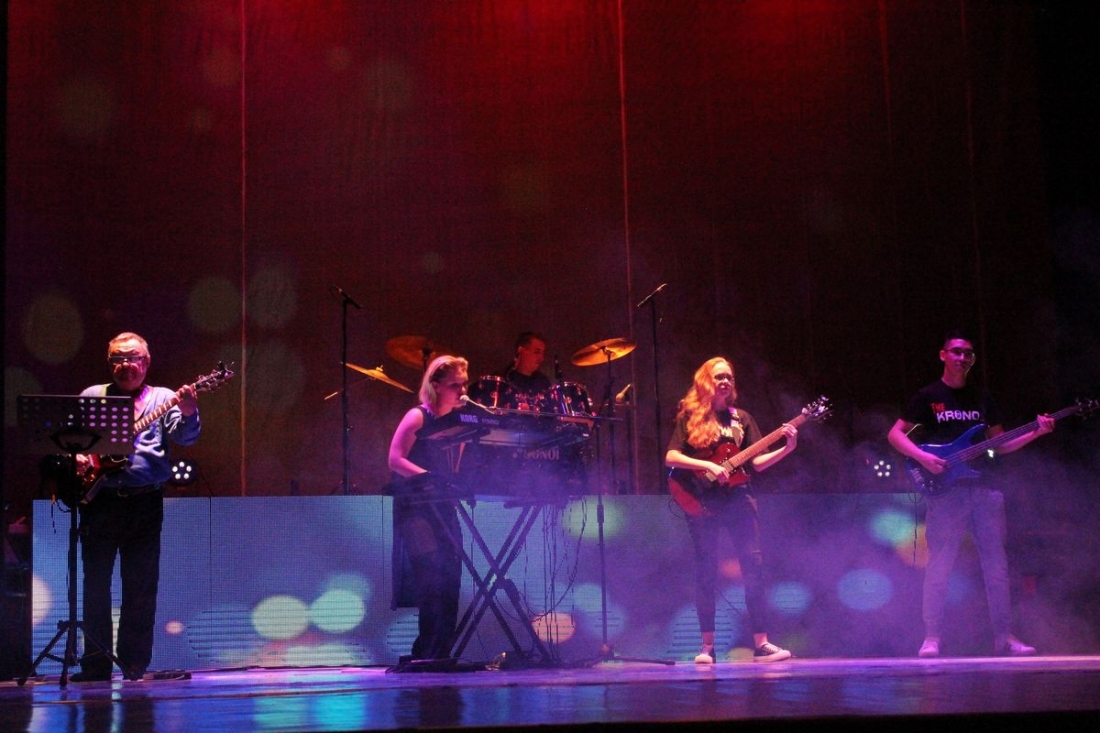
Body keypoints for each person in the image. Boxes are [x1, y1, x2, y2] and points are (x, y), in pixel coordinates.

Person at [887, 329, 1054, 658]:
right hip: (946, 495)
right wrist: (923, 458)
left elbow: (1000, 444)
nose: (962, 357)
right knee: (939, 566)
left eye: (968, 353)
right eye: (957, 351)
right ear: (943, 355)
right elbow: (895, 434)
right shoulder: (928, 396)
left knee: (997, 567)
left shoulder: (982, 398)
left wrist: (1036, 432)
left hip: (985, 491)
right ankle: (932, 637)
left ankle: (1004, 637)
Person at [74, 332, 200, 682]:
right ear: (109, 362)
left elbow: (186, 437)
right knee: (95, 584)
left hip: (144, 502)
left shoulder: (162, 398)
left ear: (146, 362)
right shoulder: (93, 396)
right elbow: (71, 440)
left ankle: (133, 664)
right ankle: (95, 664)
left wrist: (189, 411)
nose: (125, 364)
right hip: (100, 501)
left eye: (132, 358)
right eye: (118, 358)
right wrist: (78, 457)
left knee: (141, 585)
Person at [665, 356, 798, 664]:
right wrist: (708, 466)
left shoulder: (742, 419)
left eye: (729, 377)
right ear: (706, 381)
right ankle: (707, 647)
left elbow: (757, 463)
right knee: (706, 570)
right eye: (719, 376)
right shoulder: (690, 418)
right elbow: (671, 456)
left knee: (753, 567)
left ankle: (762, 644)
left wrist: (787, 448)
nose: (725, 381)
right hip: (702, 500)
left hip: (739, 499)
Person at [387, 354, 469, 662]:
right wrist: (430, 478)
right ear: (436, 385)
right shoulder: (417, 416)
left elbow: (455, 469)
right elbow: (395, 459)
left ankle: (440, 652)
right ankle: (426, 652)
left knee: (451, 575)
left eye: (464, 384)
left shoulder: (459, 423)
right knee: (431, 576)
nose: (462, 391)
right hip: (415, 507)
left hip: (442, 506)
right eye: (455, 385)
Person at [499, 331, 552, 405]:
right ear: (520, 350)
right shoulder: (502, 379)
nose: (541, 358)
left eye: (543, 353)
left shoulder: (543, 382)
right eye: (537, 352)